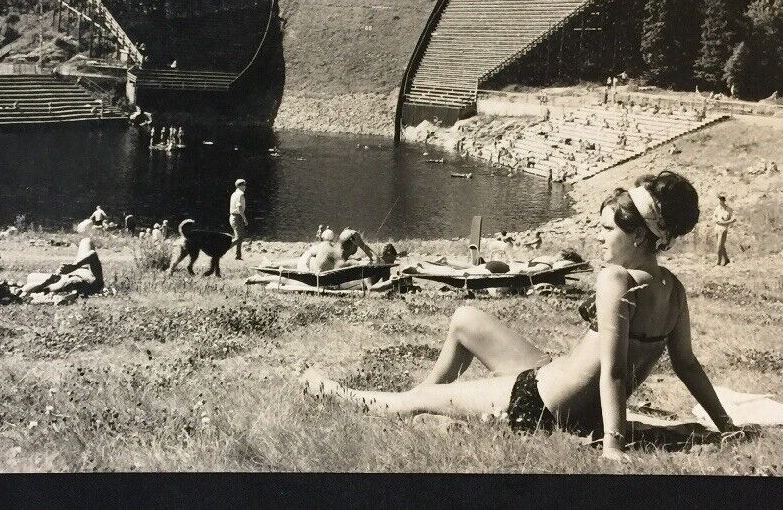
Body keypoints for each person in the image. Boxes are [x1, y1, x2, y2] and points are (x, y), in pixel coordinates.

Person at [300, 171, 759, 461]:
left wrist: (615, 447)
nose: (599, 240)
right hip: (559, 385)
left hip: (539, 404)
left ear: (640, 235)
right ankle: (440, 399)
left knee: (416, 401)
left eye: (606, 230)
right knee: (464, 318)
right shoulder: (673, 290)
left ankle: (343, 393)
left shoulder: (616, 279)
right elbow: (688, 365)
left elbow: (616, 371)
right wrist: (727, 426)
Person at [20, 237, 104, 300]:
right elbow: (93, 255)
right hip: (84, 266)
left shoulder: (61, 284)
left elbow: (42, 287)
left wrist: (51, 280)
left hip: (64, 276)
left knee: (31, 277)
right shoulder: (94, 281)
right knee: (86, 240)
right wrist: (75, 266)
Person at [297, 228, 376, 273]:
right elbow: (377, 260)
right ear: (352, 246)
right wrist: (362, 245)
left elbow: (308, 254)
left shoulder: (325, 245)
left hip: (311, 269)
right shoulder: (346, 262)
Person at [713, 193, 736, 266]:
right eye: (720, 199)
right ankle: (726, 260)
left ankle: (718, 262)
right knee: (721, 246)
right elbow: (714, 217)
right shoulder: (717, 208)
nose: (720, 201)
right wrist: (717, 221)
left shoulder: (729, 209)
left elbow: (734, 219)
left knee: (719, 245)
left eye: (722, 199)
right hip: (717, 228)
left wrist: (726, 222)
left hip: (723, 229)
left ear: (724, 200)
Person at [229, 179, 249, 260]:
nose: (245, 187)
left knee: (240, 237)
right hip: (236, 217)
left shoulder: (234, 194)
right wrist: (245, 219)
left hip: (234, 217)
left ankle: (238, 256)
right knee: (238, 238)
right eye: (244, 185)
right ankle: (221, 249)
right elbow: (239, 208)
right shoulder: (240, 194)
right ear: (240, 186)